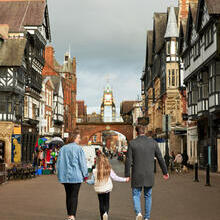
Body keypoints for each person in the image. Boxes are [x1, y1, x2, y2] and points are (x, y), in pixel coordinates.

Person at [125, 125, 169, 220]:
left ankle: (139, 213)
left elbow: (128, 160)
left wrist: (127, 175)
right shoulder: (153, 143)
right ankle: (147, 218)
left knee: (136, 194)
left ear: (137, 133)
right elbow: (160, 158)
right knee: (148, 195)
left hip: (137, 173)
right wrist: (165, 172)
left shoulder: (132, 143)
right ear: (144, 132)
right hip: (149, 174)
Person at [56, 130, 88, 220]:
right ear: (74, 138)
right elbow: (82, 163)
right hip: (76, 176)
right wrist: (85, 175)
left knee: (68, 196)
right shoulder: (79, 149)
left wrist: (59, 176)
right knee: (74, 196)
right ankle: (72, 215)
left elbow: (58, 164)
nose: (79, 139)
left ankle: (69, 215)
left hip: (65, 177)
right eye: (78, 138)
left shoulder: (62, 149)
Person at [86, 154, 129, 220]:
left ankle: (102, 217)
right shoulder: (108, 170)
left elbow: (92, 181)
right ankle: (106, 213)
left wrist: (86, 181)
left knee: (101, 203)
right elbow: (115, 178)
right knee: (106, 202)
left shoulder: (95, 171)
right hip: (107, 189)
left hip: (99, 190)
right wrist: (125, 179)